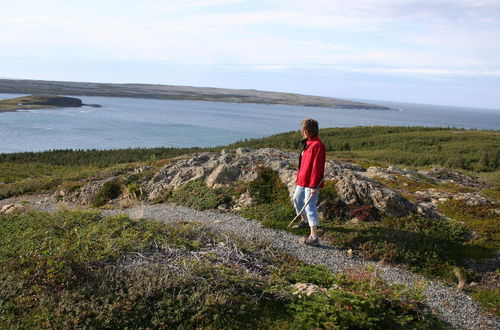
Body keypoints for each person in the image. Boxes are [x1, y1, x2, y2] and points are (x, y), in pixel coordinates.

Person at [292, 118, 326, 246]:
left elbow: (317, 167)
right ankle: (304, 221)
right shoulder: (308, 143)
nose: (303, 132)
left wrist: (314, 186)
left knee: (310, 207)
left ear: (308, 130)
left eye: (304, 129)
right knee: (297, 199)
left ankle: (314, 237)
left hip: (311, 182)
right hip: (302, 180)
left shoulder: (317, 145)